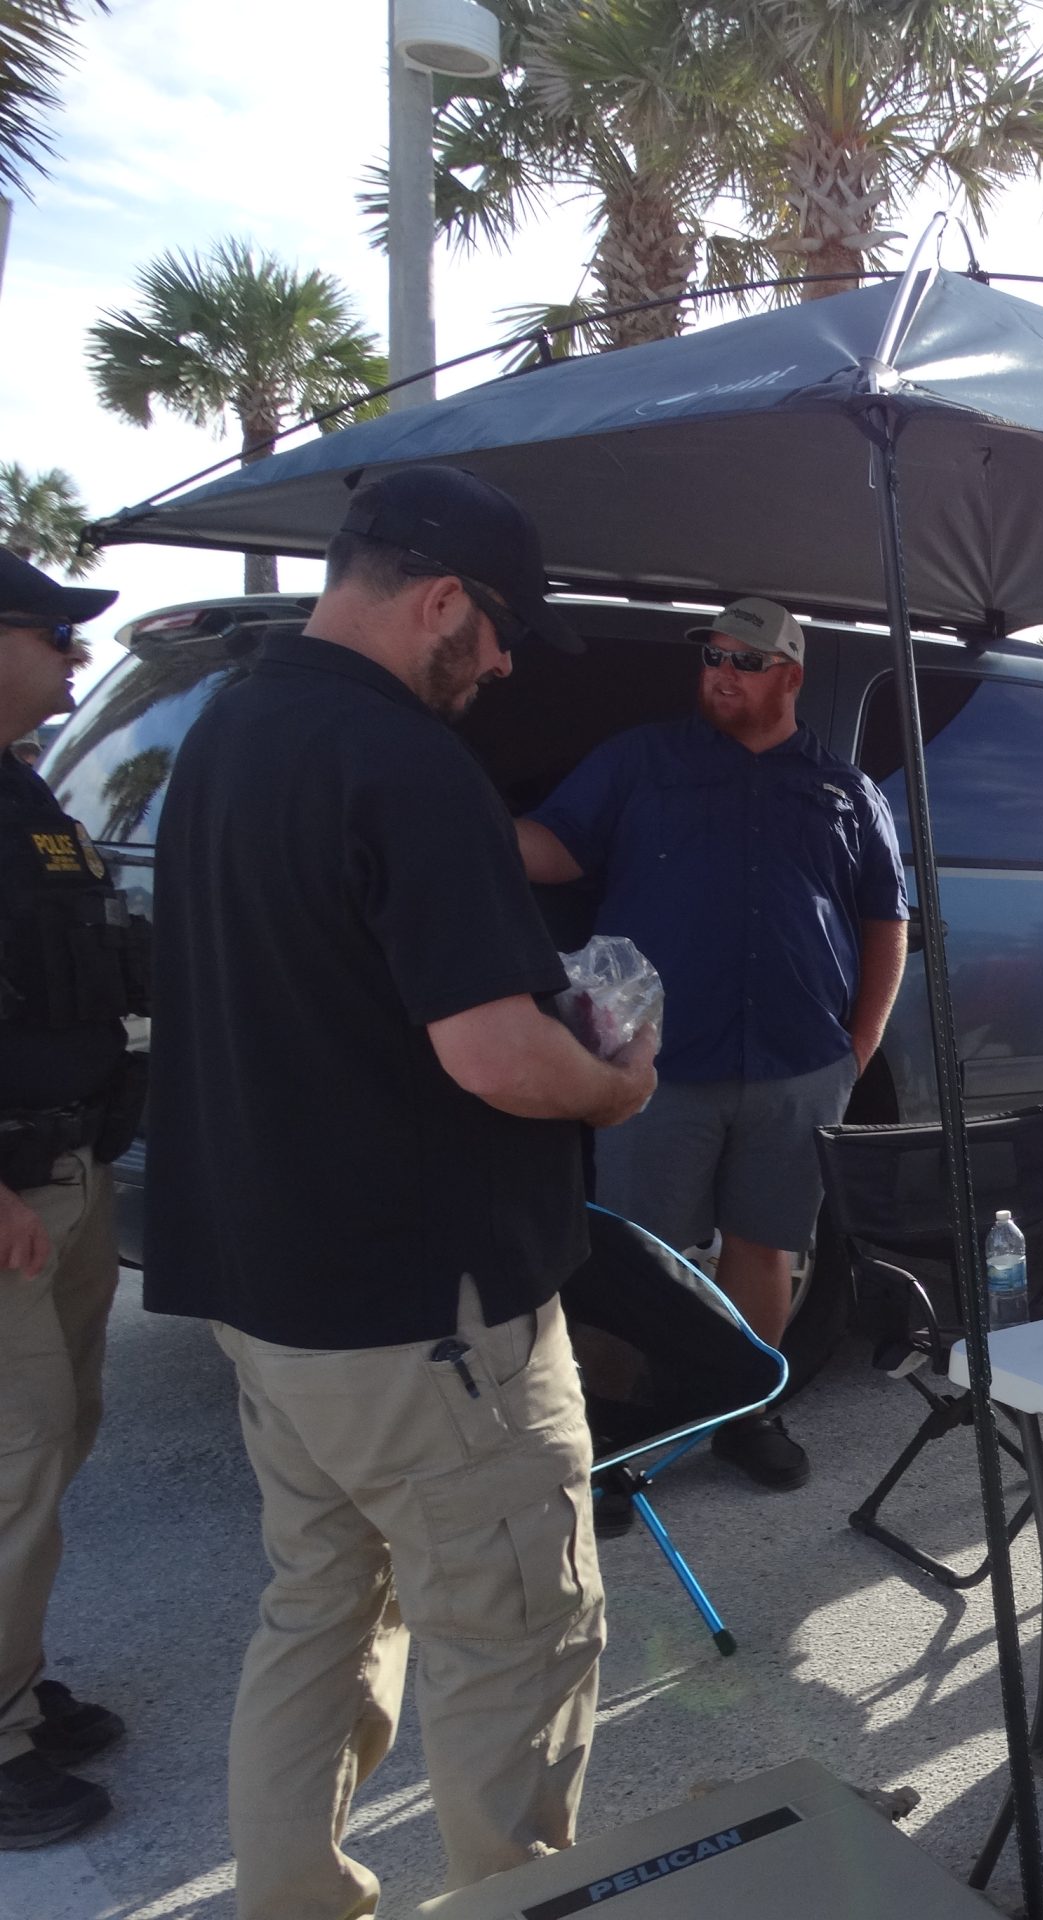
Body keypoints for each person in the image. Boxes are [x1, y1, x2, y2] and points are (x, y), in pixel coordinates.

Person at [146, 468, 660, 1916]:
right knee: (518, 1643)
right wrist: (617, 1085)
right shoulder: (406, 764)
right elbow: (499, 1053)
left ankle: (296, 1899)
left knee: (317, 1613)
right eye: (497, 635)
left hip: (271, 1302)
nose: (500, 668)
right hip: (428, 1325)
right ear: (440, 598)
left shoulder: (228, 730)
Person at [517, 596, 907, 1491]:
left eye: (745, 662)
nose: (722, 674)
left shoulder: (846, 792)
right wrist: (448, 829)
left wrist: (857, 1051)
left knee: (765, 1246)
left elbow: (887, 923)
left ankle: (743, 1409)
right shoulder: (642, 761)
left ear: (791, 678)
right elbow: (556, 850)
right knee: (630, 1257)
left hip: (798, 1066)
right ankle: (609, 1445)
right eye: (714, 659)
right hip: (655, 1069)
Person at [0, 554, 142, 1849]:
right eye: (54, 633)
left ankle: (10, 1682)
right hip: (6, 1189)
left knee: (55, 1443)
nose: (76, 659)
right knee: (13, 1458)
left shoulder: (24, 791)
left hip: (68, 1168)